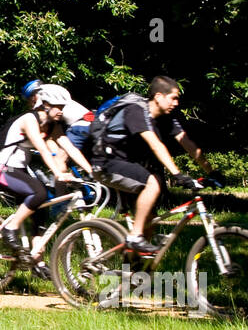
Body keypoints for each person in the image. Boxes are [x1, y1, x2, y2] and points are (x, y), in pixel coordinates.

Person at [91, 76, 218, 256]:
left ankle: (134, 274)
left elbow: (186, 142)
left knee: (150, 225)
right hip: (106, 163)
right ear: (158, 96)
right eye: (173, 97)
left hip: (128, 166)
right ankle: (134, 237)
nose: (177, 102)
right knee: (153, 184)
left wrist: (212, 171)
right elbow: (155, 144)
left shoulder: (166, 118)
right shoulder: (135, 110)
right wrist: (177, 174)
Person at [0, 85, 87, 278]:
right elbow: (42, 149)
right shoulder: (29, 119)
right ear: (46, 105)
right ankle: (10, 228)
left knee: (41, 207)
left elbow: (70, 148)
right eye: (58, 106)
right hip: (2, 169)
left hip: (19, 170)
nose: (62, 110)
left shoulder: (53, 125)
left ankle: (37, 260)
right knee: (39, 193)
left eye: (63, 107)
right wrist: (58, 173)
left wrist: (93, 172)